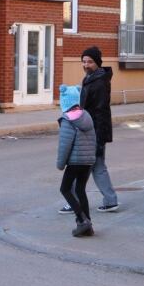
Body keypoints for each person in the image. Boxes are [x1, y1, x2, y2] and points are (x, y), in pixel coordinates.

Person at [60, 46, 119, 214]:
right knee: (97, 166)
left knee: (78, 165)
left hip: (93, 133)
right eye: (84, 61)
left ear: (97, 63)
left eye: (90, 61)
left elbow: (101, 111)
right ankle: (110, 200)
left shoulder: (99, 82)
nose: (86, 65)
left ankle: (74, 201)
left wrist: (99, 138)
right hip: (90, 130)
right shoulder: (91, 78)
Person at [56, 85, 97, 237]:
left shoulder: (67, 120)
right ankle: (89, 225)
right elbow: (94, 139)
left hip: (74, 162)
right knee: (80, 190)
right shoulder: (86, 116)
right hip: (87, 161)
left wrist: (60, 164)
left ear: (64, 101)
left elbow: (64, 145)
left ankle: (81, 219)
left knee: (65, 189)